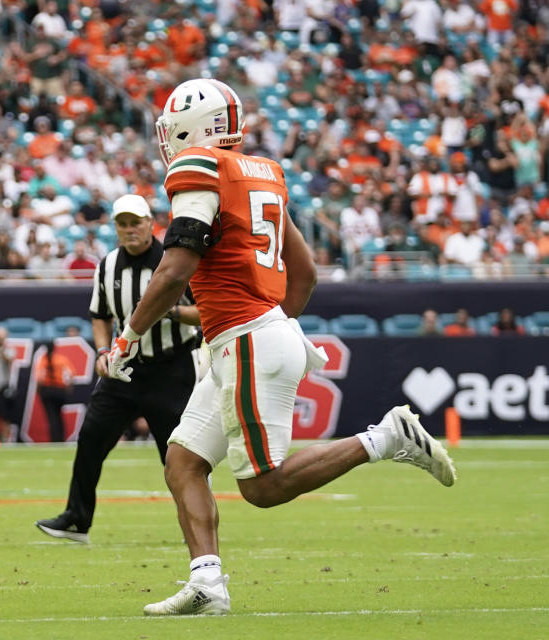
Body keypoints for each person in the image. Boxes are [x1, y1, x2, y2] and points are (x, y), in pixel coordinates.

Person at [106, 78, 457, 616]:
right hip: (254, 334)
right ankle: (208, 584)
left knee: (263, 487)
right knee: (182, 461)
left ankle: (386, 437)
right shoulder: (262, 171)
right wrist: (273, 326)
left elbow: (176, 268)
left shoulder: (200, 167)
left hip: (248, 338)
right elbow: (307, 272)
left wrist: (129, 336)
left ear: (192, 128)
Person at [35, 194, 200, 543]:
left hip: (171, 368)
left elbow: (207, 311)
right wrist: (101, 350)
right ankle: (77, 520)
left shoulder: (177, 262)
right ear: (115, 228)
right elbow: (100, 316)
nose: (129, 230)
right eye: (122, 224)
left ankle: (198, 522)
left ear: (149, 223)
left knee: (178, 455)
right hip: (123, 369)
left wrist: (167, 309)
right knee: (91, 440)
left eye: (135, 222)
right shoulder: (107, 265)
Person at [33, 339, 74, 444]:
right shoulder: (61, 359)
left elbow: (39, 378)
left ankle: (54, 439)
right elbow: (70, 375)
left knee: (51, 416)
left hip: (47, 390)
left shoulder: (43, 360)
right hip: (60, 390)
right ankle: (61, 438)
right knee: (59, 415)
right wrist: (68, 388)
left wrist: (39, 391)